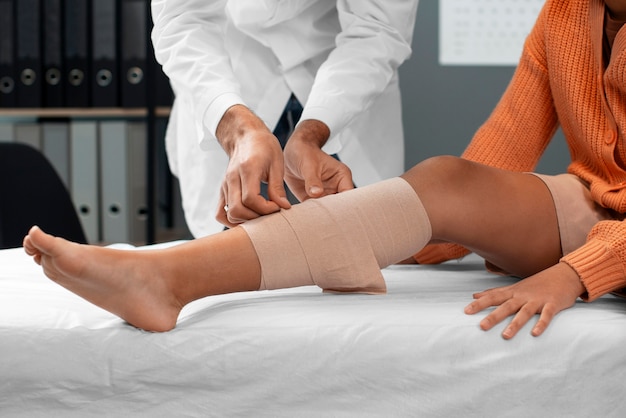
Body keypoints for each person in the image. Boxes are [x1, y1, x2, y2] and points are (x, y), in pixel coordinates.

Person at [23, 0, 626, 339]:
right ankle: (164, 279)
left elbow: (376, 29)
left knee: (437, 186)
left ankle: (166, 279)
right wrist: (398, 224)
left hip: (611, 231)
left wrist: (575, 275)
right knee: (444, 177)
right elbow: (497, 155)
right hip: (591, 202)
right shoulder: (566, 14)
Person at [151, 1, 419, 234]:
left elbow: (377, 29)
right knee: (231, 261)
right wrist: (237, 128)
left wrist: (314, 130)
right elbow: (182, 20)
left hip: (345, 83)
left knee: (371, 244)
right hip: (232, 78)